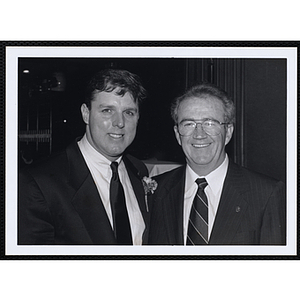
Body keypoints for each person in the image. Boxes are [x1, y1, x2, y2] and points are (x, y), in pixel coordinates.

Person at [18, 69, 150, 245]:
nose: (119, 122)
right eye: (107, 110)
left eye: (129, 112)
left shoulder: (138, 170)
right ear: (86, 113)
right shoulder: (39, 183)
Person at [148, 83, 286, 245]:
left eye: (209, 123)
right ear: (178, 135)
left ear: (228, 132)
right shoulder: (158, 191)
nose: (199, 134)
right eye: (188, 124)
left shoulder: (265, 194)